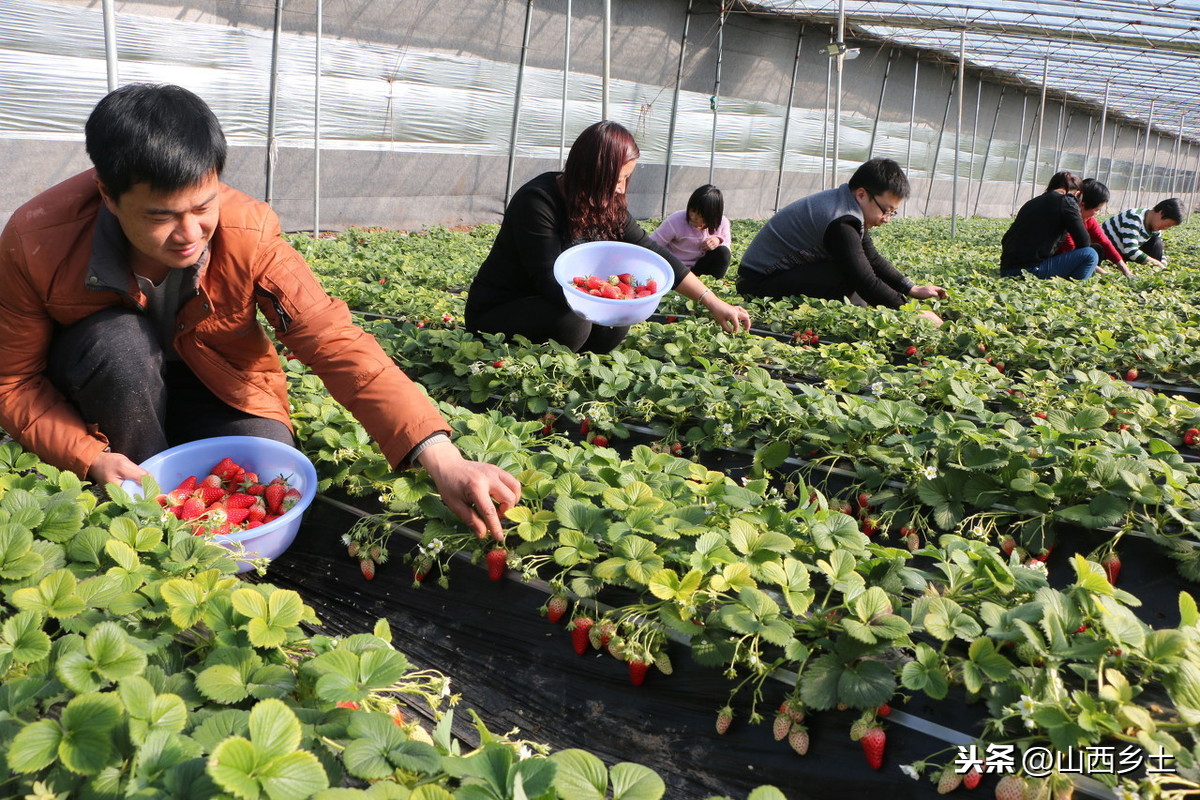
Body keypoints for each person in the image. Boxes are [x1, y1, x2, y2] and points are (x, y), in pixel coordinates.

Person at [0, 83, 519, 540]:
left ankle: (175, 493)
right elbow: (13, 381)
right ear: (107, 195)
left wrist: (442, 457)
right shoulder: (36, 239)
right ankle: (149, 506)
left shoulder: (250, 231)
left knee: (268, 465)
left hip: (217, 382)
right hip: (111, 387)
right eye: (161, 217)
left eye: (203, 207)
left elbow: (332, 338)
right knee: (118, 342)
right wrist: (88, 458)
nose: (188, 234)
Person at [465, 121, 750, 354]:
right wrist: (613, 294)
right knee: (573, 322)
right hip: (500, 310)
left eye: (628, 177)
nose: (622, 188)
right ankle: (541, 369)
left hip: (552, 306)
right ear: (593, 173)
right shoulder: (538, 201)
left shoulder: (604, 204)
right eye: (617, 179)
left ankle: (575, 364)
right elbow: (549, 282)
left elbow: (651, 250)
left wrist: (713, 302)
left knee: (616, 323)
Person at [736, 158, 947, 327]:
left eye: (893, 212)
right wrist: (913, 313)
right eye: (886, 210)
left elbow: (870, 257)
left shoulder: (846, 206)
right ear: (862, 194)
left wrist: (912, 288)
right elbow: (864, 279)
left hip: (775, 276)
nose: (886, 219)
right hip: (757, 284)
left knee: (850, 273)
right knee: (843, 276)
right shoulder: (841, 221)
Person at [1000, 171, 1098, 280]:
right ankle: (1074, 288)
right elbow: (1084, 242)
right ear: (1077, 193)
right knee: (1090, 254)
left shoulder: (1032, 202)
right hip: (1029, 271)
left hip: (1006, 270)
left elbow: (1006, 239)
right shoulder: (1066, 201)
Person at [650, 184, 732, 279]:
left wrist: (718, 240)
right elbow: (653, 244)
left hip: (700, 269)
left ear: (712, 215)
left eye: (700, 215)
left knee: (723, 252)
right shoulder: (676, 220)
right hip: (675, 268)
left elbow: (727, 251)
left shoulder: (722, 223)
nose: (693, 217)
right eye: (692, 211)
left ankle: (709, 287)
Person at [1057, 178, 1129, 276]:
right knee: (1090, 253)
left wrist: (1125, 270)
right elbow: (1073, 252)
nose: (1097, 214)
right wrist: (1106, 274)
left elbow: (1105, 242)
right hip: (1054, 261)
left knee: (1097, 248)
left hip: (1071, 258)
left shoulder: (1088, 220)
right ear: (1082, 205)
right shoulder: (1065, 221)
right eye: (1096, 210)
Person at [1100, 197, 1183, 272]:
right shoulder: (1134, 217)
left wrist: (1163, 266)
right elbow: (1130, 250)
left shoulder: (1155, 228)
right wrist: (1156, 263)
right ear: (1161, 213)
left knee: (1156, 243)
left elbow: (1161, 252)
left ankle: (1153, 274)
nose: (1165, 228)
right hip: (1107, 254)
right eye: (1167, 224)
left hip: (1123, 255)